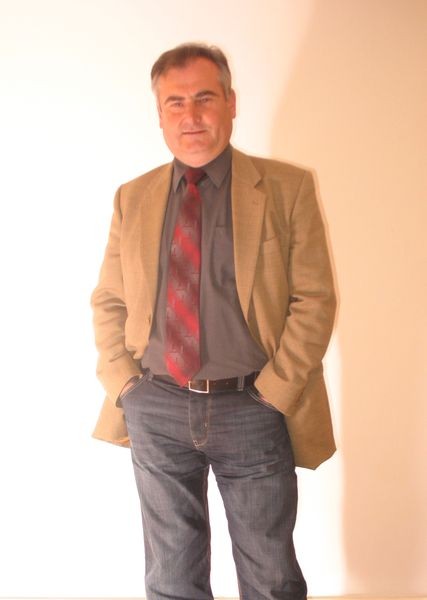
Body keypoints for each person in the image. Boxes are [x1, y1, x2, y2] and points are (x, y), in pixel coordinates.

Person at [91, 42, 336, 600]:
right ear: (159, 115)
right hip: (155, 405)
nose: (191, 115)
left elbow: (315, 300)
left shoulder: (286, 188)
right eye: (174, 103)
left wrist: (274, 393)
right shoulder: (133, 197)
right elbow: (109, 300)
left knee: (271, 576)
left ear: (231, 103)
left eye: (204, 98)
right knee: (170, 576)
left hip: (251, 406)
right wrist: (125, 385)